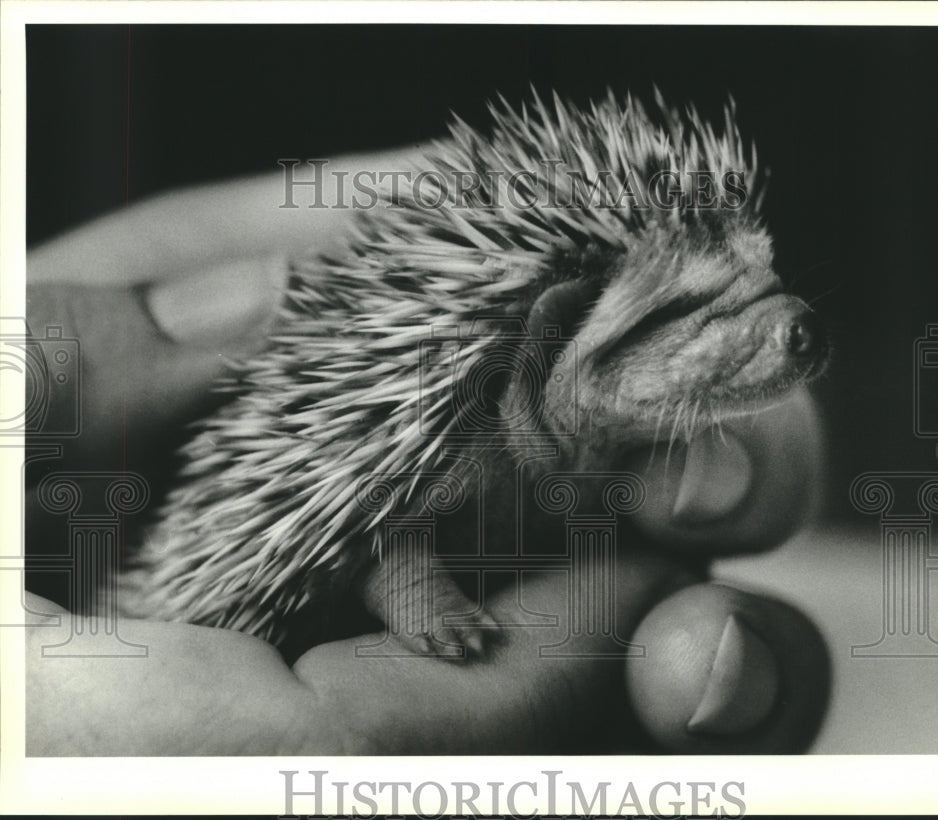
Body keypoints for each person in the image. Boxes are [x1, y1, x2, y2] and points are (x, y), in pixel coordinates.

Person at [22, 149, 828, 755]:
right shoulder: (437, 428)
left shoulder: (609, 445)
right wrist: (419, 596)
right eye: (686, 314)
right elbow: (361, 526)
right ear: (551, 334)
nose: (784, 327)